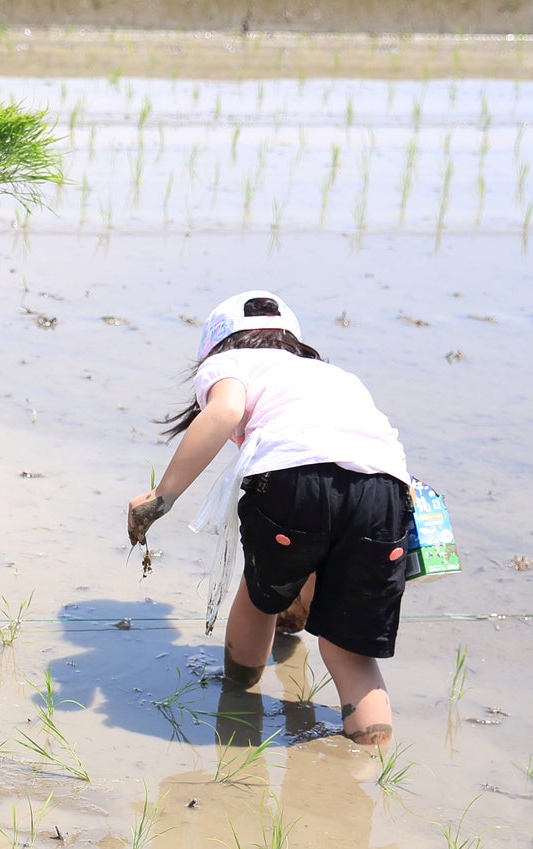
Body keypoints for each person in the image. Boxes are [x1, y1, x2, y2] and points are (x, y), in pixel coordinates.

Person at [126, 291, 413, 748]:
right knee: (350, 651)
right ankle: (369, 762)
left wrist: (162, 497)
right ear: (293, 342)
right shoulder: (336, 375)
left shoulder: (230, 365)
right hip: (386, 491)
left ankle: (239, 693)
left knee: (260, 595)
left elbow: (225, 412)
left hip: (292, 479)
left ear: (217, 345)